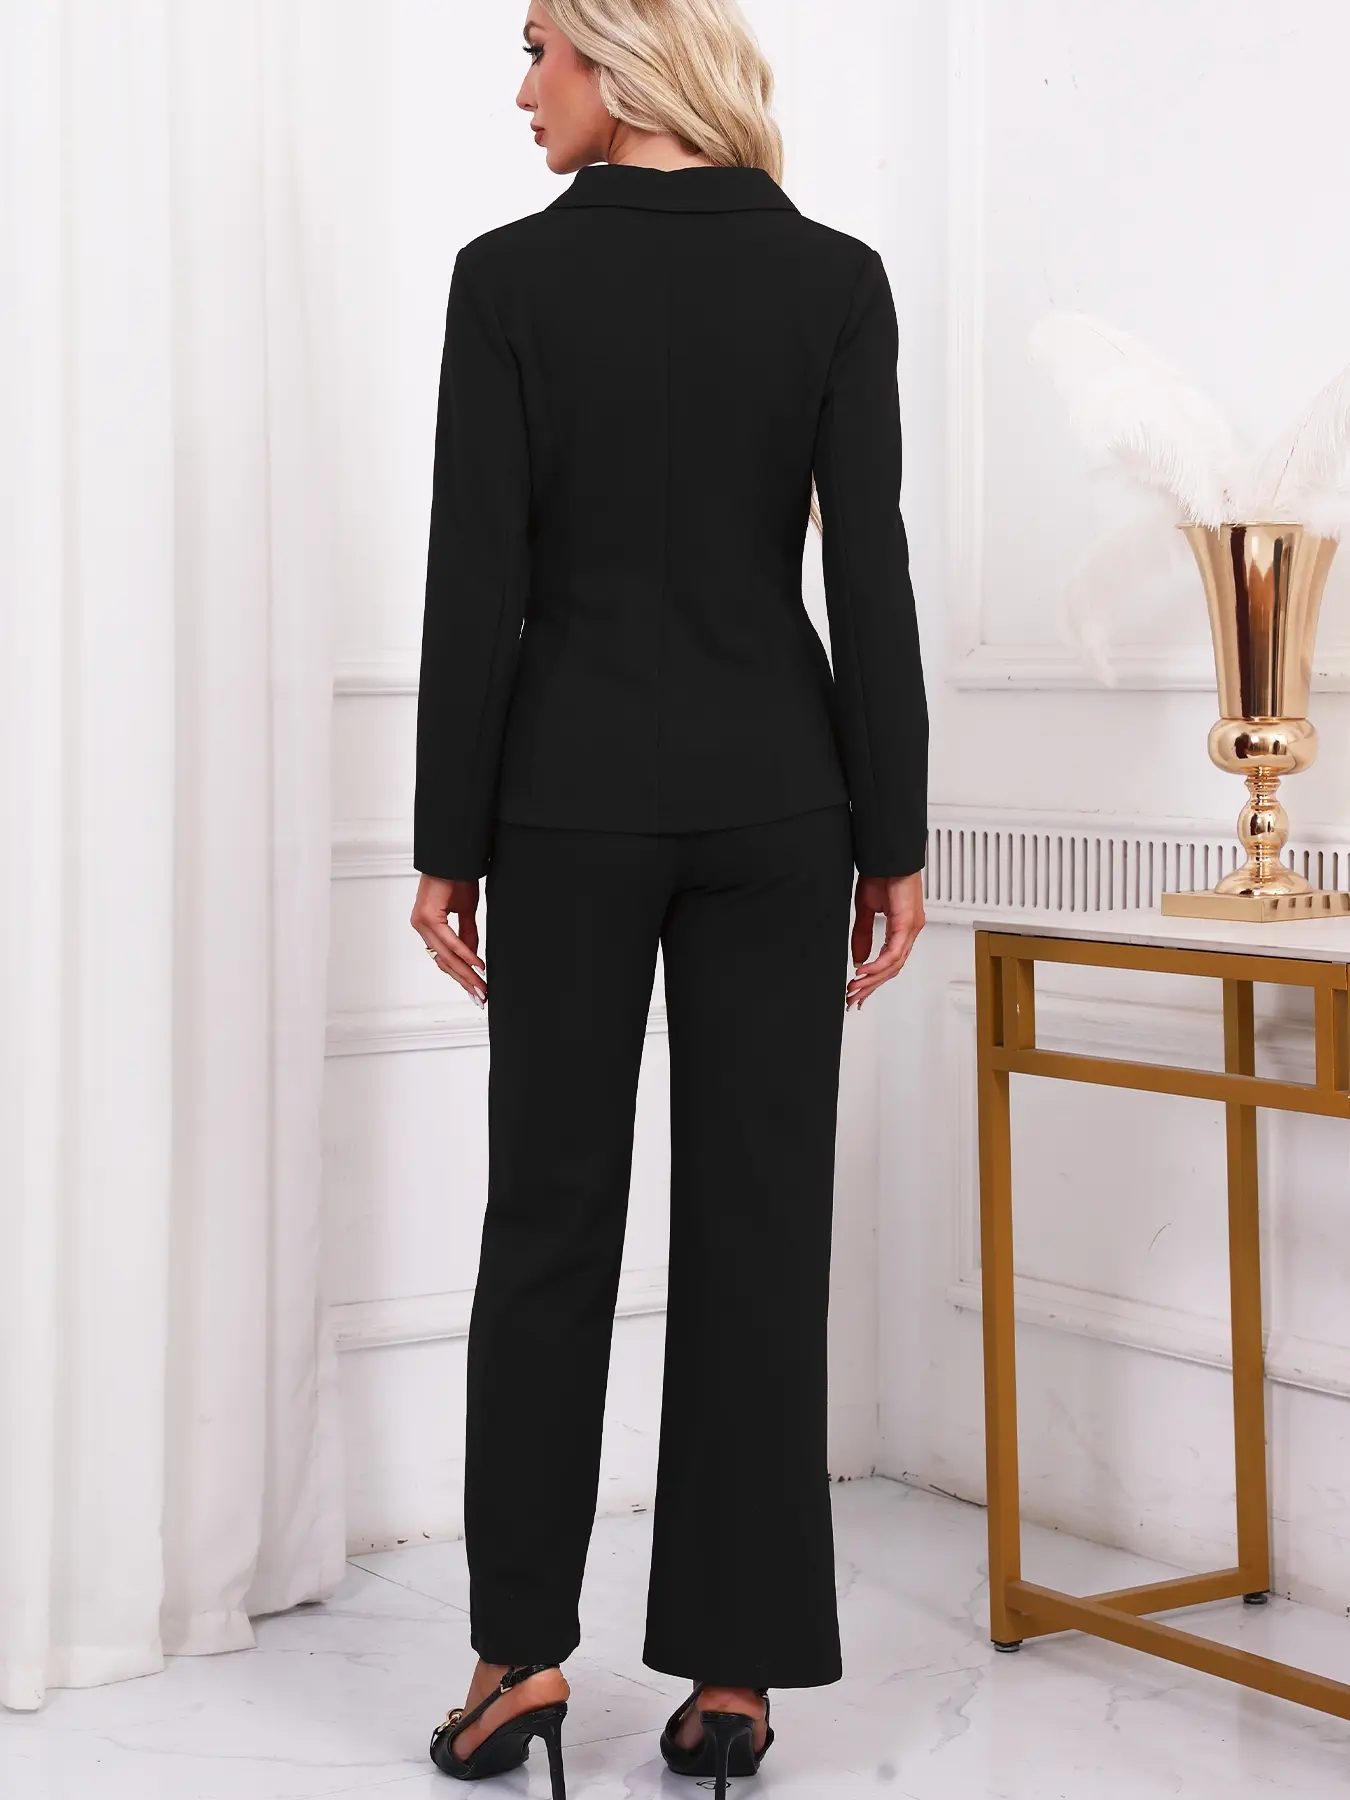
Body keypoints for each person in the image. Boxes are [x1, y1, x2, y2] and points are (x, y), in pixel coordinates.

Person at [409, 2, 928, 1795]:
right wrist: (892, 835)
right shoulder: (832, 280)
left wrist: (447, 838)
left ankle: (517, 1661)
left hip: (563, 805)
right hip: (782, 803)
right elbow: (868, 571)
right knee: (759, 1229)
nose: (523, 87)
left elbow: (474, 576)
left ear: (621, 66)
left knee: (548, 1222)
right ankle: (732, 1678)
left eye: (540, 48)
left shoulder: (507, 281)